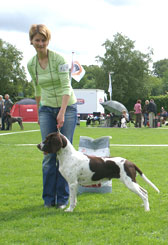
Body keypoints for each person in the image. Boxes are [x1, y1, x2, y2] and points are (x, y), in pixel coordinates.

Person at [27, 24, 78, 209]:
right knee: (48, 155)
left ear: (48, 41)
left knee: (66, 155)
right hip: (46, 108)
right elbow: (37, 88)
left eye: (44, 40)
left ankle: (63, 200)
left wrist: (62, 112)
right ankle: (48, 200)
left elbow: (66, 86)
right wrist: (39, 110)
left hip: (67, 107)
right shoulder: (31, 64)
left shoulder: (60, 60)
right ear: (31, 41)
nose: (40, 43)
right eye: (37, 40)